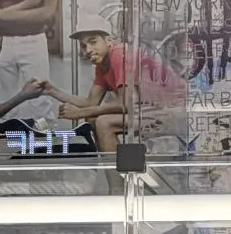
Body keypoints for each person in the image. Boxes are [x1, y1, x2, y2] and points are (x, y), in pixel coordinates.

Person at [44, 13, 185, 153]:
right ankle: (113, 165)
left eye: (93, 42)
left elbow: (125, 104)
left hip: (177, 110)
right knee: (92, 120)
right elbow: (91, 102)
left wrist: (80, 112)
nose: (88, 50)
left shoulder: (120, 54)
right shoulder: (102, 64)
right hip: (150, 110)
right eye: (83, 46)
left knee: (104, 123)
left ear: (108, 40)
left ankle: (118, 167)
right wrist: (52, 91)